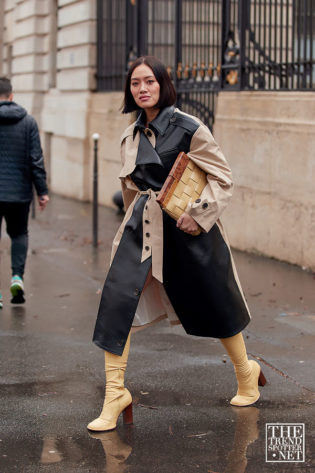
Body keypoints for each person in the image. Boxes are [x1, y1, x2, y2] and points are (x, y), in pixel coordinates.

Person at [88, 56, 266, 432]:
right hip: (142, 230)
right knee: (117, 302)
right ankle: (115, 393)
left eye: (149, 81)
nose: (142, 89)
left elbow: (222, 178)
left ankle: (246, 373)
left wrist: (199, 215)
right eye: (135, 83)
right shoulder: (130, 133)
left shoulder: (189, 127)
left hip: (187, 230)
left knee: (215, 302)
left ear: (163, 84)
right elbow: (132, 188)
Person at [0, 77, 49, 307]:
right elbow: (35, 160)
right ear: (11, 96)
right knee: (19, 234)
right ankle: (17, 277)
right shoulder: (28, 122)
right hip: (19, 193)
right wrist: (42, 191)